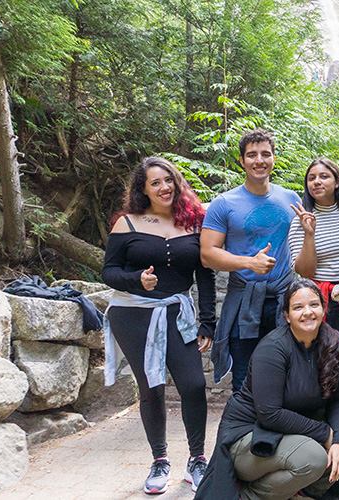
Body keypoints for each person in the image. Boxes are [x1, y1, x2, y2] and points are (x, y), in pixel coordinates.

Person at [193, 279, 339, 500]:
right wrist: (328, 435)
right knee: (313, 457)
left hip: (294, 429)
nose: (307, 312)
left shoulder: (333, 343)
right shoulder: (272, 349)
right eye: (298, 307)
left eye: (314, 305)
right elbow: (269, 414)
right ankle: (252, 496)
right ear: (287, 315)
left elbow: (338, 401)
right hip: (250, 436)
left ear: (323, 308)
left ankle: (309, 491)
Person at [102, 156, 216, 494]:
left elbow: (205, 276)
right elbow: (109, 272)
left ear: (177, 183)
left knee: (194, 384)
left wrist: (207, 323)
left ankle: (197, 459)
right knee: (151, 389)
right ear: (144, 189)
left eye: (169, 180)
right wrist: (137, 279)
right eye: (155, 182)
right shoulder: (127, 223)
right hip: (133, 315)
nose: (164, 187)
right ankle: (159, 461)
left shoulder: (195, 222)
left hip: (176, 315)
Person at [200, 128, 301, 391]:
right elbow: (208, 254)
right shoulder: (224, 203)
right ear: (242, 161)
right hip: (244, 301)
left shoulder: (291, 199)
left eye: (265, 154)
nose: (259, 160)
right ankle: (244, 432)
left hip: (285, 300)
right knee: (245, 379)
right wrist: (248, 263)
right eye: (252, 155)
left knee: (288, 376)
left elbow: (307, 244)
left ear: (274, 159)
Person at [287, 158, 339, 478]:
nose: (317, 182)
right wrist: (309, 233)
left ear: (337, 180)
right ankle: (323, 444)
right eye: (311, 178)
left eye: (324, 176)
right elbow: (304, 271)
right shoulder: (300, 219)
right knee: (318, 372)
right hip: (317, 300)